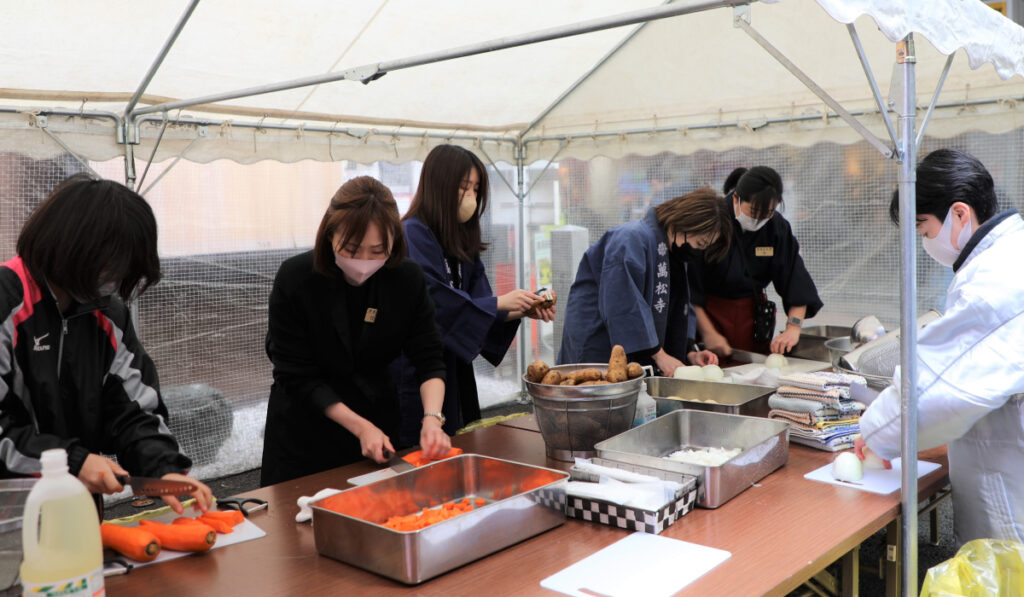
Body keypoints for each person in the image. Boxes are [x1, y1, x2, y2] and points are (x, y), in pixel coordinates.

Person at [0, 175, 211, 514]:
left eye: (124, 265)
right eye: (109, 261)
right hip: (9, 513)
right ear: (71, 245)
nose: (114, 274)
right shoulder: (7, 301)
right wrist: (73, 462)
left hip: (76, 509)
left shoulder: (108, 314)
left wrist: (163, 469)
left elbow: (133, 410)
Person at [857, 148, 1024, 545]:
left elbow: (938, 382)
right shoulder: (1010, 252)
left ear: (960, 214)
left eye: (926, 229)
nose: (926, 241)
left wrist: (875, 432)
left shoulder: (993, 280)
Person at [261, 176, 450, 486]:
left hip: (376, 427)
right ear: (330, 235)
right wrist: (360, 427)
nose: (363, 261)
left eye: (378, 250)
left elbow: (429, 357)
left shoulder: (406, 279)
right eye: (351, 249)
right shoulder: (296, 279)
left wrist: (432, 419)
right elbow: (295, 374)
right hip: (304, 431)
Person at [394, 145, 554, 445]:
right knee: (418, 453)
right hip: (416, 371)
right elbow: (435, 302)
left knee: (456, 444)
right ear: (439, 185)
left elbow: (480, 303)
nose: (471, 196)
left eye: (476, 188)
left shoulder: (459, 237)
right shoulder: (411, 234)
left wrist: (524, 307)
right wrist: (499, 304)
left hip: (455, 370)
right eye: (463, 186)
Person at [558, 187, 731, 375]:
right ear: (685, 222)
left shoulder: (674, 254)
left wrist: (690, 352)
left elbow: (678, 309)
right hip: (598, 341)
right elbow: (622, 301)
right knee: (591, 390)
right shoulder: (631, 237)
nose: (699, 251)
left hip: (637, 352)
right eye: (700, 244)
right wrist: (658, 354)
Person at [689, 166, 822, 356]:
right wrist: (708, 333)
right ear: (736, 198)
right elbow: (690, 289)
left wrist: (793, 328)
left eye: (767, 212)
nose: (758, 219)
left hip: (752, 320)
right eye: (753, 211)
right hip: (707, 318)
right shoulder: (711, 220)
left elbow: (796, 280)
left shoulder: (777, 227)